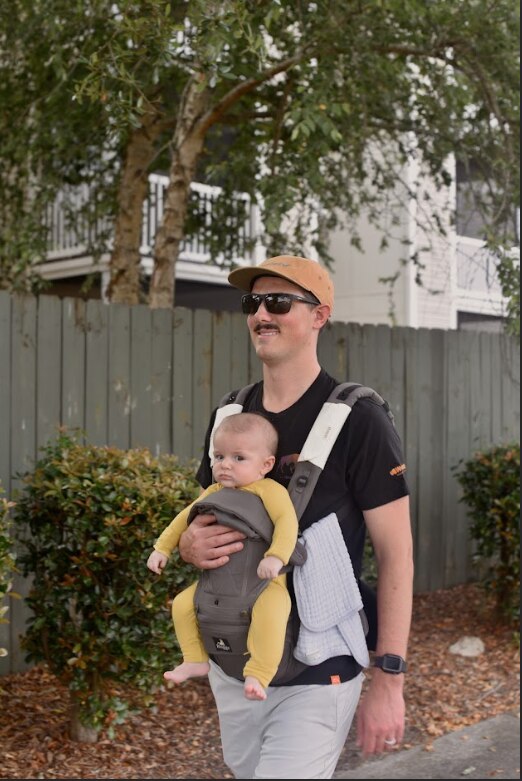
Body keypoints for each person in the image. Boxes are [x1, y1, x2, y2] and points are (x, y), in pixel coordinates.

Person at [178, 255, 414, 779]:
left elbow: (398, 558)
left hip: (320, 667)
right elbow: (206, 520)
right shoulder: (231, 415)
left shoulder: (358, 417)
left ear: (318, 315)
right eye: (253, 303)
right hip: (234, 664)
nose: (262, 313)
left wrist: (389, 678)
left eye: (279, 302)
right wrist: (189, 544)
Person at [147, 411, 299, 702]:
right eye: (219, 457)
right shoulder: (214, 493)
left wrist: (276, 557)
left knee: (273, 611)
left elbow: (287, 522)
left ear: (266, 465)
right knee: (182, 604)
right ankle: (194, 659)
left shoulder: (269, 490)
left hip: (262, 581)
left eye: (238, 458)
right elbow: (182, 520)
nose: (225, 465)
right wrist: (161, 548)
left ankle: (259, 673)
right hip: (218, 583)